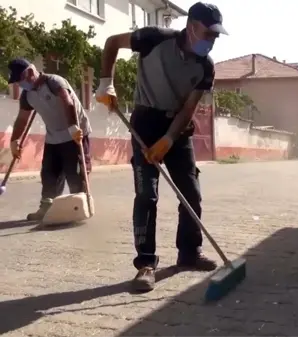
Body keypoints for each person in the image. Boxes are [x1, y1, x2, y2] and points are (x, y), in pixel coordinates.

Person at [95, 2, 226, 291]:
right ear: (191, 26)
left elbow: (189, 108)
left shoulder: (206, 66)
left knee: (191, 192)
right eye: (208, 33)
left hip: (177, 129)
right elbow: (112, 42)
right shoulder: (154, 38)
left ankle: (189, 253)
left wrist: (169, 139)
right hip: (145, 121)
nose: (211, 40)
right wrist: (106, 83)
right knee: (146, 195)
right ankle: (145, 264)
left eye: (215, 36)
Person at [7, 58, 92, 220]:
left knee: (74, 172)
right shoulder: (27, 95)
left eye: (21, 79)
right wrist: (14, 140)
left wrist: (73, 126)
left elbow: (68, 103)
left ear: (31, 72)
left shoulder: (54, 82)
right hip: (53, 136)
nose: (20, 84)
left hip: (75, 132)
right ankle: (47, 208)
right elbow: (22, 119)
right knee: (48, 173)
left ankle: (80, 206)